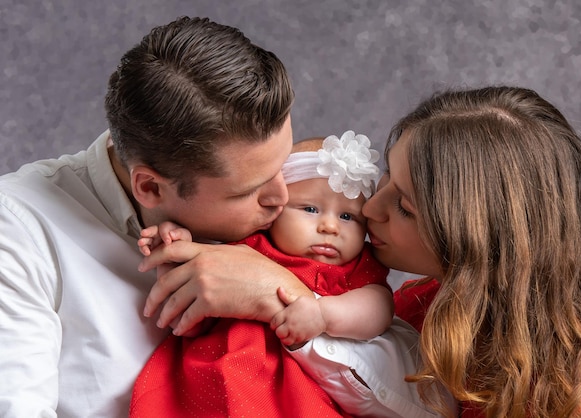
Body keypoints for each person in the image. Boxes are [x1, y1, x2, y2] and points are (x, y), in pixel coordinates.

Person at [140, 86, 581, 418]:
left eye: (405, 207)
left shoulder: (554, 393)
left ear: (476, 242)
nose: (371, 207)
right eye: (387, 179)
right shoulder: (427, 301)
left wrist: (278, 294)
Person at [0, 15, 307, 417]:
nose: (281, 197)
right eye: (248, 191)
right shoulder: (17, 235)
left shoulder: (300, 216)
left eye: (283, 166)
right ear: (149, 187)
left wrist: (288, 296)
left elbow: (409, 384)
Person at [130, 133, 399, 417]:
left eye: (348, 217)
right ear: (276, 211)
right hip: (209, 378)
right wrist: (178, 254)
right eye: (310, 209)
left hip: (293, 394)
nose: (330, 227)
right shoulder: (247, 248)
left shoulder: (354, 269)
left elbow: (379, 309)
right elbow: (193, 320)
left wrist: (324, 314)